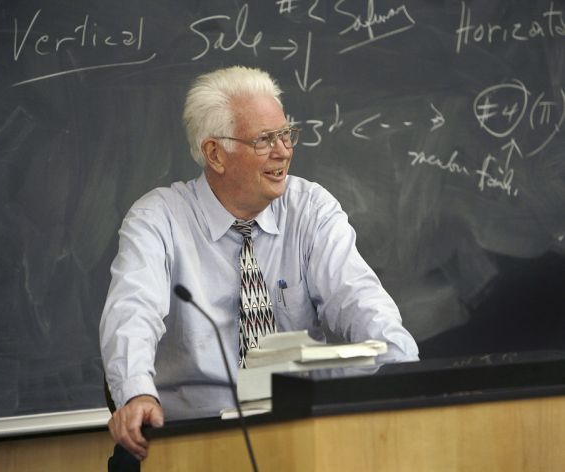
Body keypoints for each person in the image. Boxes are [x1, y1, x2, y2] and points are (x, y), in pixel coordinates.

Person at [100, 65, 419, 465]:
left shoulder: (310, 210)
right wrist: (136, 393)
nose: (283, 151)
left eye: (286, 135)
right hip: (190, 440)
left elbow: (360, 299)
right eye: (265, 139)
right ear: (215, 153)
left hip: (301, 435)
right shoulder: (157, 220)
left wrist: (405, 373)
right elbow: (133, 311)